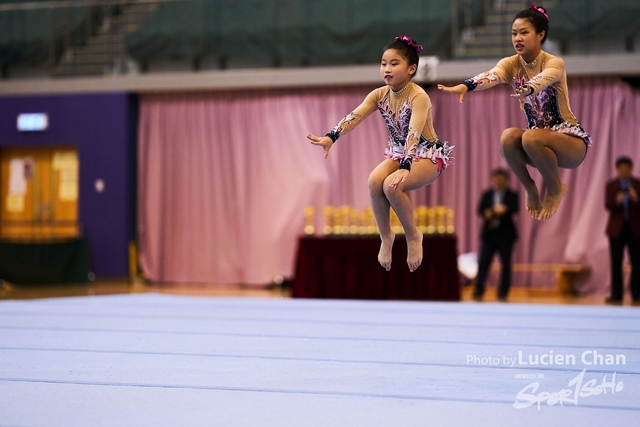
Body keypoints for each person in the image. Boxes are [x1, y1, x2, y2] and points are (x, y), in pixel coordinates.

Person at [307, 35, 453, 272]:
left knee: (391, 186)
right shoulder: (379, 95)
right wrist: (330, 137)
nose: (387, 69)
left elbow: (415, 132)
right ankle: (386, 237)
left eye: (394, 64)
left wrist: (406, 166)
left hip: (427, 155)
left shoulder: (419, 96)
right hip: (398, 154)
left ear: (411, 68)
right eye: (384, 63)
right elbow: (355, 116)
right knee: (375, 180)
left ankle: (414, 236)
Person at [437, 4, 591, 221]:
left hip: (569, 142)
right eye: (514, 33)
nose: (517, 38)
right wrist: (467, 85)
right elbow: (493, 75)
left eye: (524, 33)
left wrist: (528, 88)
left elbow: (546, 77)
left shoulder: (555, 62)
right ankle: (529, 187)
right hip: (536, 144)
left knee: (530, 136)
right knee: (508, 136)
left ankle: (555, 187)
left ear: (540, 35)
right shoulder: (511, 63)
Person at [473, 169, 519, 301]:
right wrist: (487, 213)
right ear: (493, 179)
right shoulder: (487, 194)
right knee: (483, 263)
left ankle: (503, 292)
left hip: (506, 235)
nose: (499, 181)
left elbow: (515, 208)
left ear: (507, 180)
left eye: (502, 178)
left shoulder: (512, 194)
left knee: (506, 264)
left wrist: (505, 210)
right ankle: (478, 290)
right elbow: (480, 210)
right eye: (496, 178)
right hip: (489, 234)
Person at [605, 156, 640, 304]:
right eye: (622, 168)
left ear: (631, 169)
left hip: (635, 229)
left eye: (627, 168)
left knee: (637, 263)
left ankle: (637, 294)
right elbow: (608, 205)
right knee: (615, 263)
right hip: (616, 229)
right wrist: (618, 199)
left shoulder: (637, 184)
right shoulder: (611, 185)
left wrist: (635, 198)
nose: (624, 171)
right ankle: (616, 294)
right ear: (618, 169)